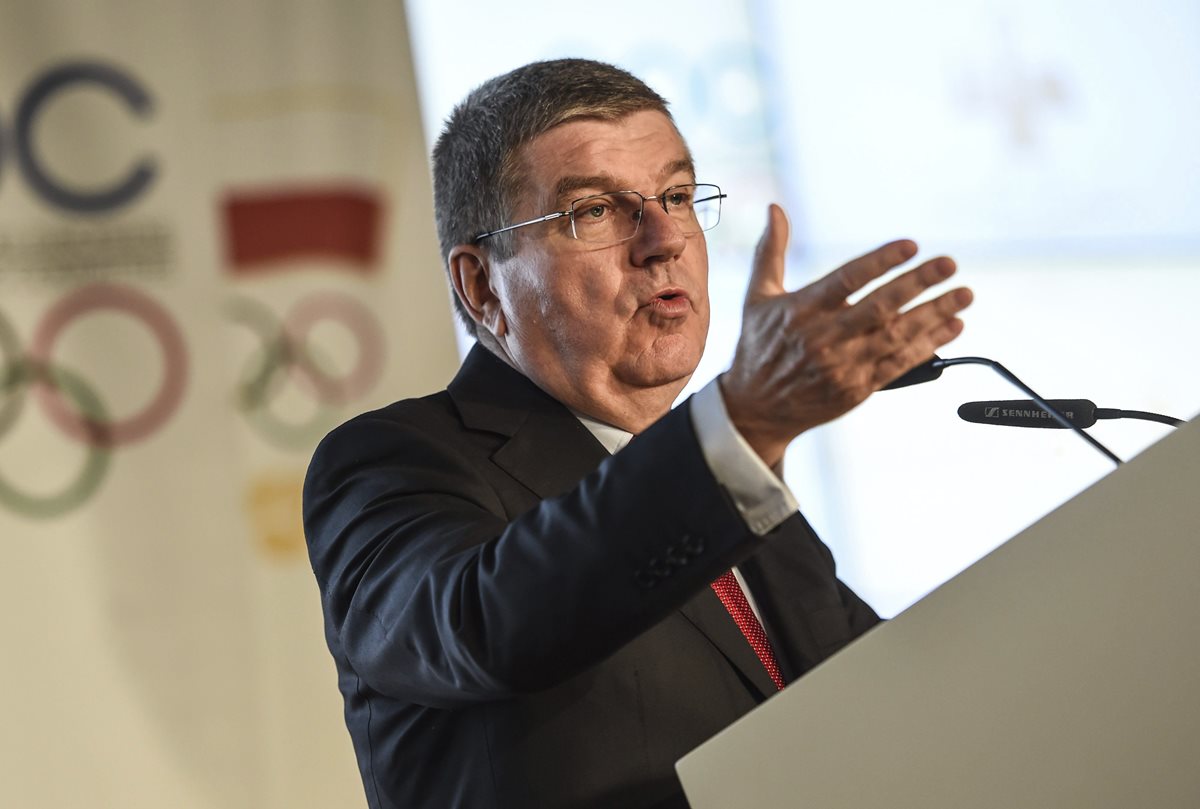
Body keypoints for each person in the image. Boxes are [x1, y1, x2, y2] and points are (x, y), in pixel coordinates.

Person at [303, 58, 972, 809]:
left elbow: (885, 697)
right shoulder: (392, 462)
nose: (663, 240)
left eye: (678, 196)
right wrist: (743, 421)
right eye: (593, 211)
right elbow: (486, 624)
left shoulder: (744, 494)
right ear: (482, 285)